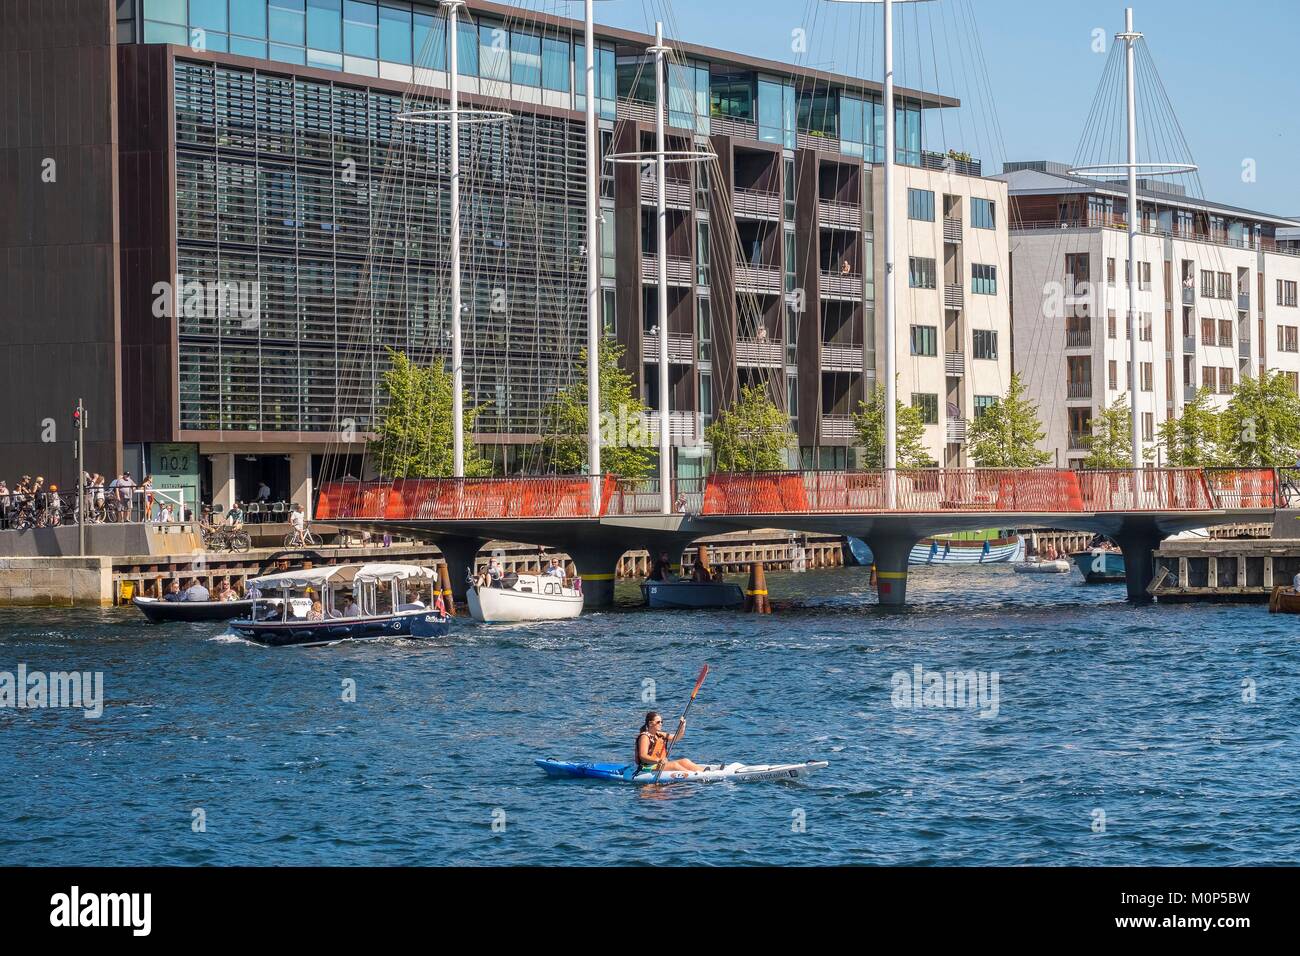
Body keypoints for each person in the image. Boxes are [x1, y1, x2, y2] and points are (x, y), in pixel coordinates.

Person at [635, 711, 704, 774]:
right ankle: (693, 775)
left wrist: (682, 726)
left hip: (658, 764)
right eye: (658, 722)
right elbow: (643, 756)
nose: (661, 724)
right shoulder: (645, 737)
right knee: (674, 765)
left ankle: (704, 772)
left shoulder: (659, 734)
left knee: (685, 761)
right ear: (650, 723)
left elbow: (676, 737)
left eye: (662, 722)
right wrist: (658, 760)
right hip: (646, 767)